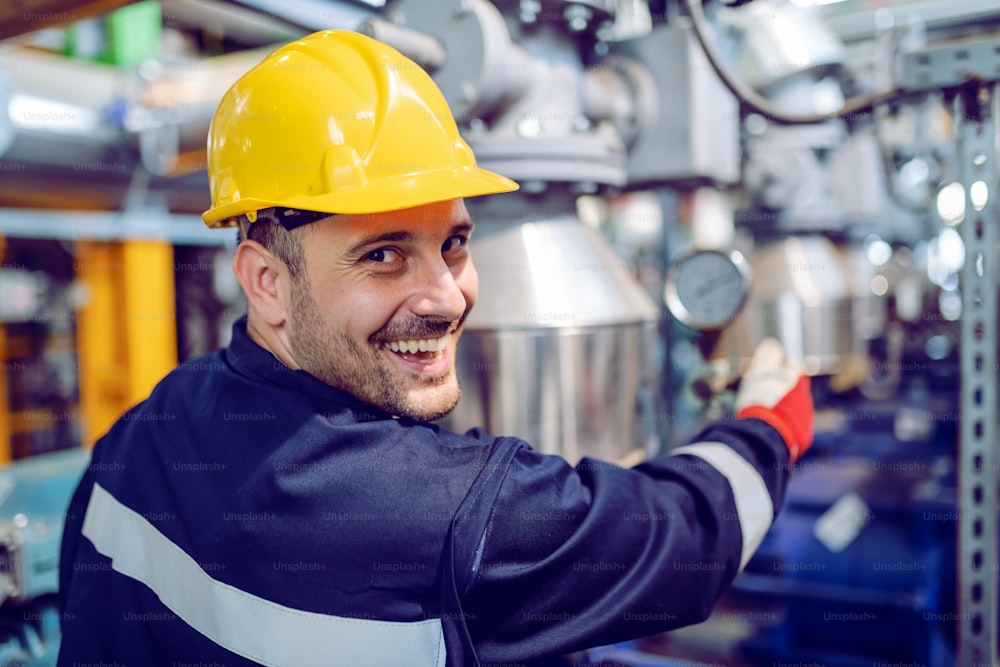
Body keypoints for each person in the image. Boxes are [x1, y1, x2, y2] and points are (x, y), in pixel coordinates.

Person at [57, 30, 814, 667]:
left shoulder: (141, 432)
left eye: (453, 242)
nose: (449, 298)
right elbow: (682, 542)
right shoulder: (440, 516)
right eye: (382, 255)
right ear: (266, 281)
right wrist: (766, 429)